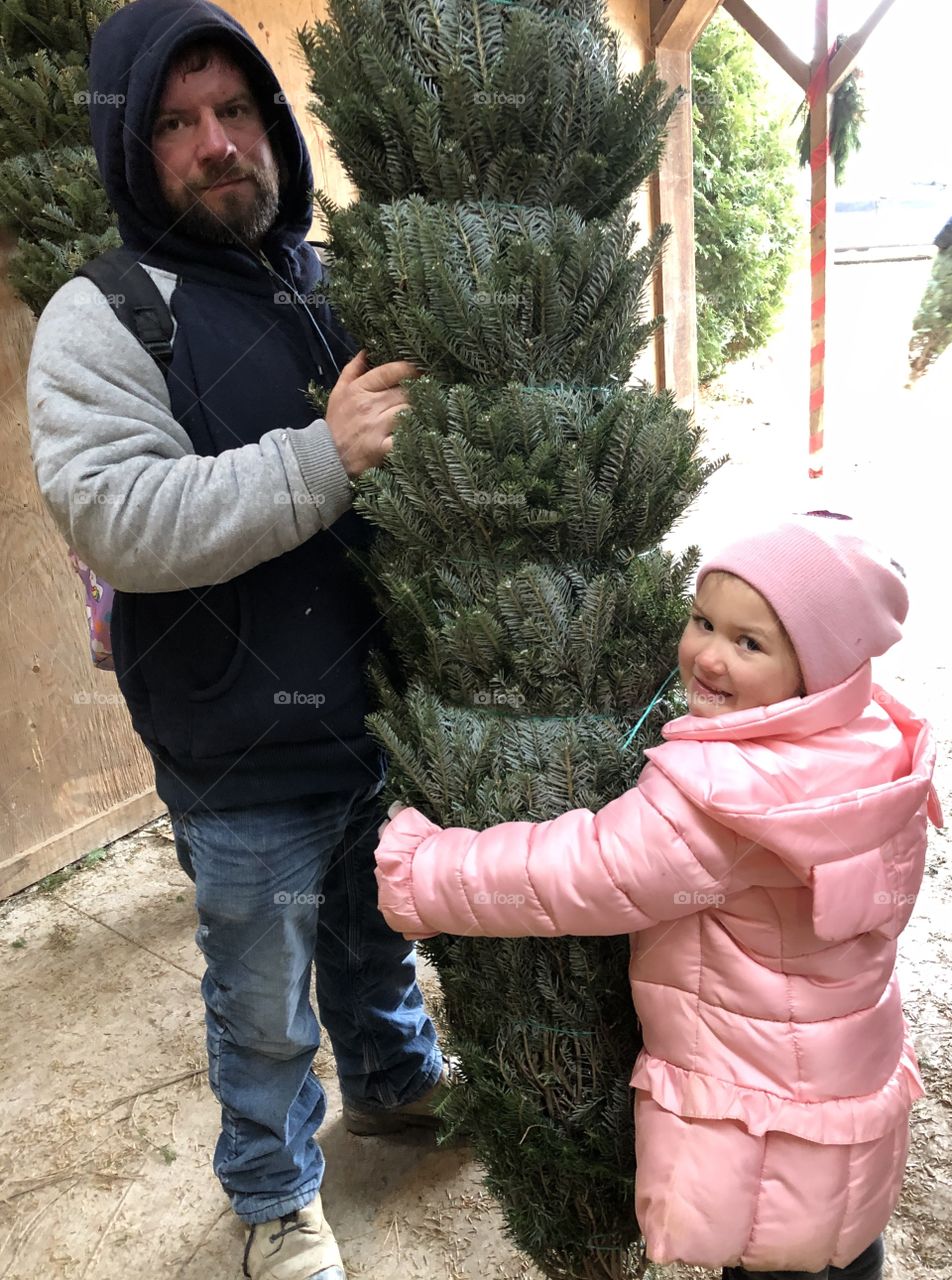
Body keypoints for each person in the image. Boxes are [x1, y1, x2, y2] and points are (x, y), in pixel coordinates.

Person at [26, 2, 445, 1277]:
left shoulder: (326, 287)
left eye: (237, 111)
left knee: (379, 935)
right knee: (259, 1000)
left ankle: (393, 1081)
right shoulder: (101, 317)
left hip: (370, 718)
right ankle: (272, 1194)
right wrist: (323, 457)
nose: (218, 144)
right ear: (131, 148)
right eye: (176, 121)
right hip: (237, 745)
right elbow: (122, 514)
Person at [373, 515, 942, 1278]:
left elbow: (579, 873)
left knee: (773, 1252)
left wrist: (423, 869)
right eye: (704, 621)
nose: (708, 654)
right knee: (834, 1243)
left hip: (759, 1116)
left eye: (749, 643)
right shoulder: (870, 746)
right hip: (842, 1090)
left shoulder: (723, 803)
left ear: (816, 670)